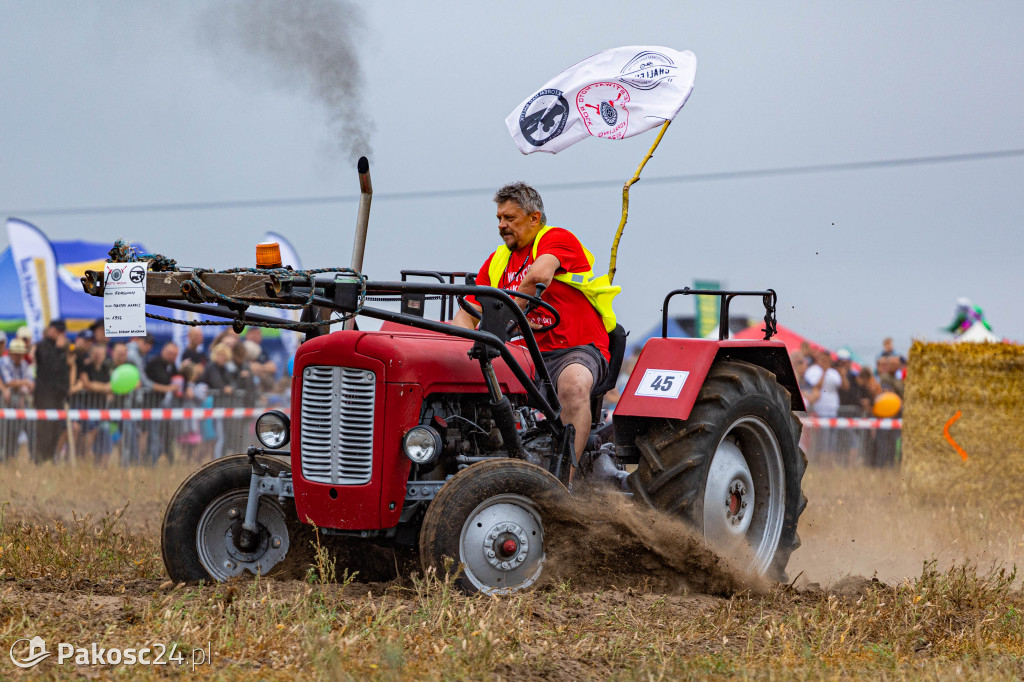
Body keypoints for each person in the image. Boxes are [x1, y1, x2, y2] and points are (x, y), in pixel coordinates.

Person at [453, 182, 618, 466]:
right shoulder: (497, 261)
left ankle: (563, 484)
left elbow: (537, 277)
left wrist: (502, 325)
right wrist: (462, 347)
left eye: (510, 218)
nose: (502, 225)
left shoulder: (556, 239)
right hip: (524, 356)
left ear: (534, 218)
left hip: (574, 350)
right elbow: (468, 311)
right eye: (499, 219)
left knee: (574, 385)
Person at [33, 319, 72, 462]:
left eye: (62, 332)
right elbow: (50, 369)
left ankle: (49, 459)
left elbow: (64, 370)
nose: (61, 335)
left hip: (58, 396)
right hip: (45, 395)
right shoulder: (42, 346)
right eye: (58, 331)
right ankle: (40, 460)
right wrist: (59, 349)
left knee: (56, 430)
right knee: (45, 430)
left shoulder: (61, 348)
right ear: (51, 330)